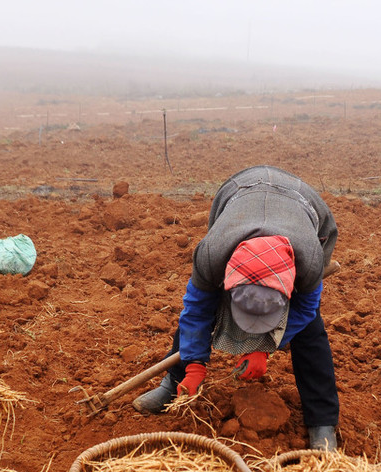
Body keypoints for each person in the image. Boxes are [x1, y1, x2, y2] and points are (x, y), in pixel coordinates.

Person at [132, 166, 340, 451]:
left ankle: (322, 421)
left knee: (310, 330)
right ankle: (174, 382)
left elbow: (303, 310)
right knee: (205, 306)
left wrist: (265, 346)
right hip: (241, 191)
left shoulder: (310, 260)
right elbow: (197, 311)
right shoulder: (212, 254)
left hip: (303, 204)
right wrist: (194, 365)